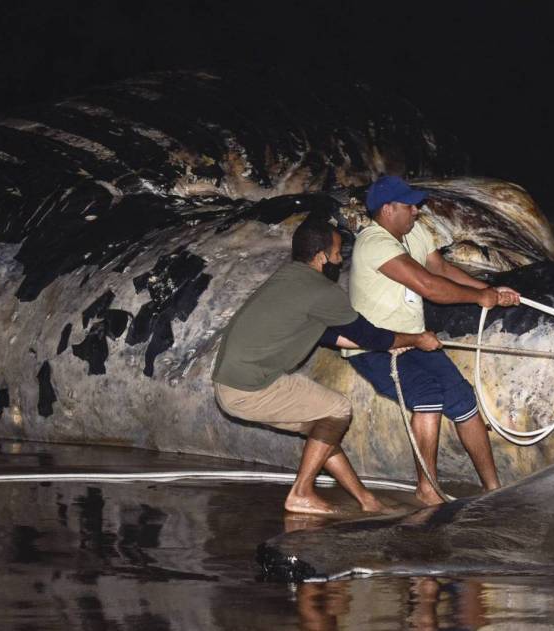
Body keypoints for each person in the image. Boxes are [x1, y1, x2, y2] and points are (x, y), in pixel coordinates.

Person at [212, 216, 442, 516]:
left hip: (230, 383)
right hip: (251, 385)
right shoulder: (323, 291)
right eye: (336, 253)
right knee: (337, 410)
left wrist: (401, 341)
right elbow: (370, 336)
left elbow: (329, 333)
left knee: (322, 428)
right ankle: (301, 493)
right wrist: (417, 338)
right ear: (321, 257)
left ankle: (366, 500)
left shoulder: (290, 278)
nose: (339, 259)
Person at [346, 175, 521, 505]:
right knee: (427, 395)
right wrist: (478, 297)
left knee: (464, 400)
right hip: (377, 345)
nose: (417, 209)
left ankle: (493, 488)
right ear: (387, 209)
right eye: (409, 204)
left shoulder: (415, 232)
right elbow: (428, 286)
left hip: (415, 341)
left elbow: (439, 268)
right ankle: (427, 488)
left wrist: (491, 291)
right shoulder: (373, 242)